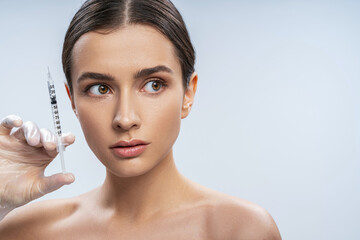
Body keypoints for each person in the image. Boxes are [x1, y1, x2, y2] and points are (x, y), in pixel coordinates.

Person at [0, 0, 281, 239]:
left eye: (153, 85)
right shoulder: (27, 230)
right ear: (72, 99)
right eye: (100, 89)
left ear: (188, 93)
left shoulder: (240, 230)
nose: (125, 118)